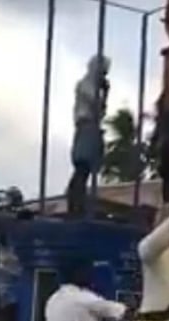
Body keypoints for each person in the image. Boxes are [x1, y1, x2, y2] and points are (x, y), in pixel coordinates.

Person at [66, 55, 110, 215]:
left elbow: (101, 111)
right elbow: (94, 103)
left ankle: (79, 203)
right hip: (85, 125)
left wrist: (105, 93)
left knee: (87, 169)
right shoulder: (85, 84)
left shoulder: (93, 86)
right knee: (82, 166)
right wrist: (102, 91)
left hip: (92, 125)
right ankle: (74, 203)